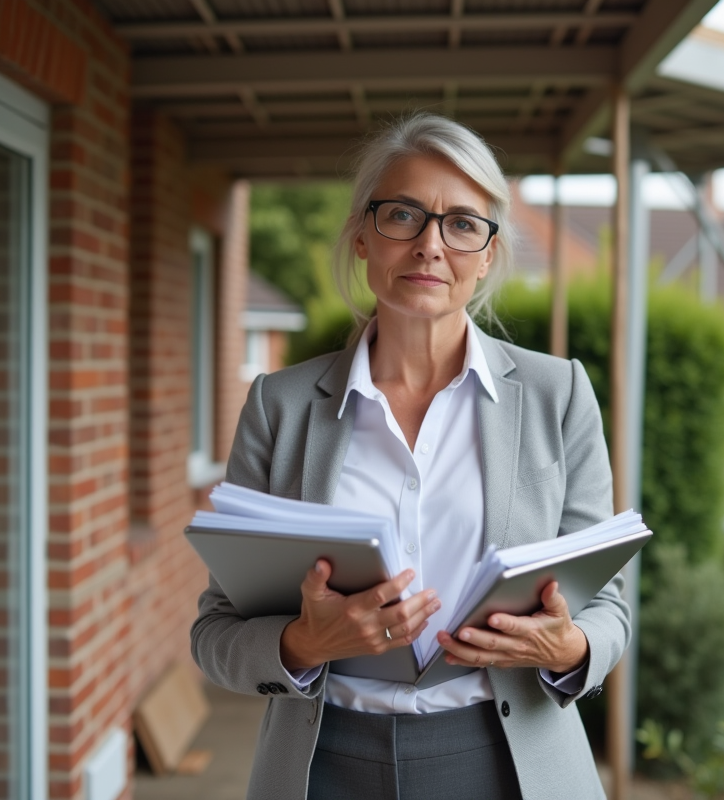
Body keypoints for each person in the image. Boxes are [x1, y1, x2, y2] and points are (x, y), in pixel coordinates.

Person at [191, 113, 630, 800]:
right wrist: (305, 644)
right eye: (404, 214)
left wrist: (569, 649)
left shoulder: (558, 394)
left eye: (461, 224)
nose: (430, 245)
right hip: (323, 763)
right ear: (363, 235)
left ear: (487, 253)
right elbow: (216, 632)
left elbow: (609, 606)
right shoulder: (279, 406)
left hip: (509, 761)